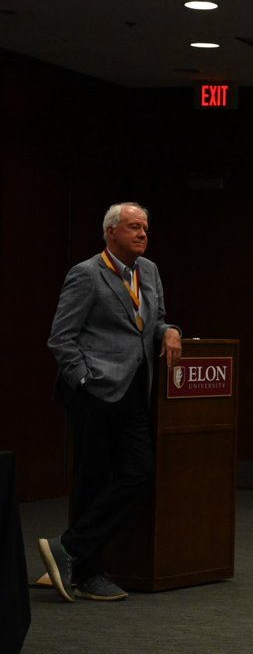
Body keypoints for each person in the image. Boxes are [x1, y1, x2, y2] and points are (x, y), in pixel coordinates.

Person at [38, 202, 183, 603]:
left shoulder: (148, 271)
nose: (143, 234)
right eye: (134, 227)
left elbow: (154, 321)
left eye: (145, 228)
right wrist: (85, 380)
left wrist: (171, 330)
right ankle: (88, 573)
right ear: (110, 232)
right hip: (94, 392)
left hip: (135, 391)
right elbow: (61, 338)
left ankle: (69, 548)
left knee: (139, 474)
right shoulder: (86, 274)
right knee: (93, 480)